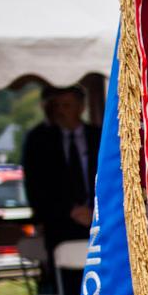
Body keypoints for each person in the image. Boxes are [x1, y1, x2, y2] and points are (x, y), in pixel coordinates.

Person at [23, 86, 100, 253]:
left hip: (99, 222)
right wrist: (67, 211)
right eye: (57, 106)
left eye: (66, 105)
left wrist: (94, 213)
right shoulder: (40, 141)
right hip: (59, 226)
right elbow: (35, 185)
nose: (60, 111)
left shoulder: (98, 138)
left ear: (81, 108)